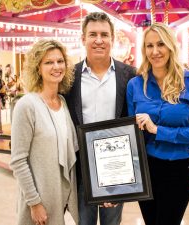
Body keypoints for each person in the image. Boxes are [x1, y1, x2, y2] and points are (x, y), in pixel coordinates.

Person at [126, 23, 189, 225]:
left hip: (177, 169)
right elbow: (131, 136)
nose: (155, 51)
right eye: (149, 46)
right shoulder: (135, 84)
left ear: (171, 46)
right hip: (145, 169)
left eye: (161, 44)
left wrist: (158, 130)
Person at [65, 12, 136, 225]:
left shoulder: (129, 75)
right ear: (83, 39)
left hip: (116, 167)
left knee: (112, 223)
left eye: (104, 35)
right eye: (92, 34)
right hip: (81, 169)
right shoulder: (69, 77)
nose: (98, 40)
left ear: (112, 39)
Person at [10, 39, 79, 225]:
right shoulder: (27, 105)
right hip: (38, 201)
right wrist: (34, 202)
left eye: (60, 61)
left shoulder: (63, 103)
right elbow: (18, 160)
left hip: (59, 198)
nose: (56, 67)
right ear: (37, 68)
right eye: (48, 62)